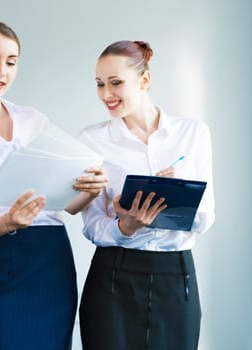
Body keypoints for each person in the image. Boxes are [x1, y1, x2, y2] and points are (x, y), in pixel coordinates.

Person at [0, 22, 107, 350]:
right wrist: (8, 221)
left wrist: (91, 188)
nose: (2, 70)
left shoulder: (33, 120)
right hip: (2, 258)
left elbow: (69, 205)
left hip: (52, 259)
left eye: (11, 61)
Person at [77, 40, 215, 350]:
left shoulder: (193, 134)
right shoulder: (92, 140)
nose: (105, 94)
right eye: (99, 84)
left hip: (176, 275)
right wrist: (125, 227)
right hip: (113, 275)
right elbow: (91, 225)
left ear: (145, 80)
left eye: (116, 83)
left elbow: (206, 218)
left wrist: (177, 192)